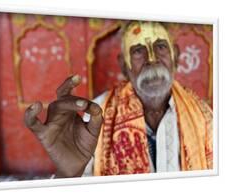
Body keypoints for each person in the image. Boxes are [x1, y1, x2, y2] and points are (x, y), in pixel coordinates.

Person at [24, 21, 213, 178]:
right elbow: (73, 177)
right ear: (124, 65)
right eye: (138, 50)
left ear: (176, 57)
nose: (152, 59)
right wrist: (68, 174)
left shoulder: (203, 116)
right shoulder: (97, 113)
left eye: (161, 46)